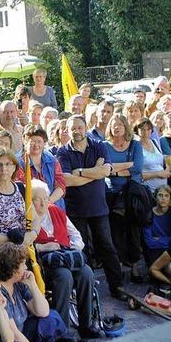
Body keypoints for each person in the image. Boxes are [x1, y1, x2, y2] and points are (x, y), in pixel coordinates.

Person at [56, 115, 126, 300]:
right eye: (73, 128)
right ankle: (86, 291)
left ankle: (117, 286)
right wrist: (94, 173)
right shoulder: (63, 152)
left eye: (80, 127)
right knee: (81, 249)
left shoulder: (99, 146)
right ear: (67, 130)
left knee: (107, 247)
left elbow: (106, 171)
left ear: (86, 127)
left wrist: (79, 172)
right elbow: (66, 180)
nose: (77, 131)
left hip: (98, 208)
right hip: (75, 210)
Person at [31, 180, 99, 340]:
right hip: (45, 264)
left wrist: (71, 251)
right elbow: (25, 245)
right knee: (64, 276)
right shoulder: (28, 218)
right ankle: (61, 328)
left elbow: (76, 235)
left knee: (87, 273)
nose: (42, 203)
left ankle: (86, 325)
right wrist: (44, 247)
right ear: (30, 200)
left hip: (66, 257)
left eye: (45, 198)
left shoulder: (56, 211)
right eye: (37, 199)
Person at [0, 243, 65, 342]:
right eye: (23, 264)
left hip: (22, 330)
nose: (26, 267)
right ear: (13, 269)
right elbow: (14, 333)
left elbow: (43, 312)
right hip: (6, 340)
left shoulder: (19, 284)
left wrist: (32, 285)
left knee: (52, 317)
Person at [104, 114, 144, 281]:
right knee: (116, 232)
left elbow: (138, 168)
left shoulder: (135, 144)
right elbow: (105, 168)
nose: (117, 127)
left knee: (133, 231)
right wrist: (126, 167)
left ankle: (135, 266)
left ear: (126, 126)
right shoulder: (105, 145)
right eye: (114, 124)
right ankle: (118, 266)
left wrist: (115, 170)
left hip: (132, 194)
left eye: (120, 124)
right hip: (112, 194)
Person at [0, 149, 36, 260]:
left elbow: (36, 218)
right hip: (1, 256)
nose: (3, 169)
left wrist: (31, 235)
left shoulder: (21, 189)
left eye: (8, 164)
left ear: (14, 167)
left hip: (26, 251)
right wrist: (18, 243)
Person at [15, 125, 66, 210]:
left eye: (39, 141)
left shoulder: (52, 160)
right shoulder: (18, 162)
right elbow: (22, 188)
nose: (36, 145)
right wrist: (41, 205)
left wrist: (48, 202)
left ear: (44, 143)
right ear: (25, 142)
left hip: (55, 208)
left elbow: (61, 185)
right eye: (32, 141)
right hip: (32, 210)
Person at [142, 185, 171, 265]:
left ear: (170, 198)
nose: (163, 198)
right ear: (155, 197)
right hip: (154, 251)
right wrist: (170, 239)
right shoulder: (148, 213)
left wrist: (160, 239)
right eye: (160, 195)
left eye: (166, 196)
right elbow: (149, 242)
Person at [135, 118, 168, 193]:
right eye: (142, 129)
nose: (146, 132)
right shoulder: (136, 146)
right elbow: (137, 175)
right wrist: (158, 174)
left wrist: (167, 169)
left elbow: (162, 160)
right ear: (137, 130)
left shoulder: (154, 142)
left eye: (148, 129)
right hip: (148, 192)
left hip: (162, 191)